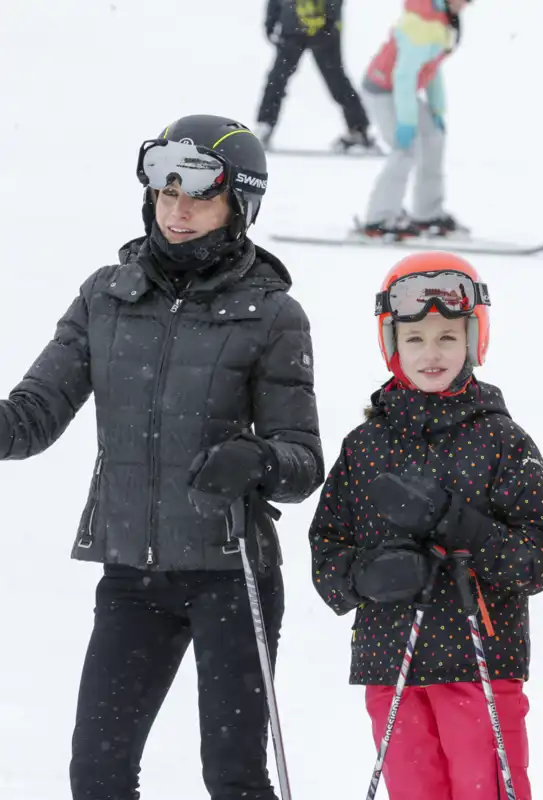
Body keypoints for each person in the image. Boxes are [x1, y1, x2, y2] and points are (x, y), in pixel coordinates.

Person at [0, 115, 324, 798]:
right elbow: (29, 420)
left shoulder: (272, 315)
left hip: (231, 576)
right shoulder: (105, 297)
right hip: (133, 579)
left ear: (240, 206)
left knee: (233, 776)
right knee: (98, 773)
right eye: (165, 192)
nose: (176, 211)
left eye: (199, 197)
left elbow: (302, 461)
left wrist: (257, 459)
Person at [308, 250, 543, 799]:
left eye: (448, 337)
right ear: (392, 344)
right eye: (415, 338)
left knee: (485, 788)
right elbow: (326, 551)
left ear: (474, 339)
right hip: (391, 663)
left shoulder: (501, 440)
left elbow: (540, 557)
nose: (431, 353)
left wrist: (462, 529)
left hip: (478, 663)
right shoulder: (364, 447)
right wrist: (366, 576)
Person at [358, 0, 470, 238]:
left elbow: (431, 67)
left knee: (433, 137)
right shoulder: (421, 23)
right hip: (383, 90)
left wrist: (437, 109)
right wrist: (407, 121)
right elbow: (404, 75)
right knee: (405, 150)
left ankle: (427, 213)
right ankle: (379, 219)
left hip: (401, 90)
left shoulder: (442, 19)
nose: (466, 4)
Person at [257, 0, 377, 153]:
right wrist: (271, 20)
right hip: (295, 29)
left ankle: (358, 129)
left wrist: (329, 21)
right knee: (278, 79)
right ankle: (265, 125)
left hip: (318, 29)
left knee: (336, 81)